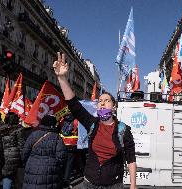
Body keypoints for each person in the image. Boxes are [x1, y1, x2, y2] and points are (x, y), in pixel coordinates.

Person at [53, 52, 137, 189]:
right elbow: (73, 105)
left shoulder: (123, 130)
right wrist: (62, 78)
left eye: (107, 100)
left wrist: (133, 185)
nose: (102, 103)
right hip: (89, 183)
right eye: (100, 101)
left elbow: (131, 158)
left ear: (114, 107)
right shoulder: (92, 123)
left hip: (113, 185)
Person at [22, 114, 67, 189]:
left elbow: (25, 153)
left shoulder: (33, 134)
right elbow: (61, 157)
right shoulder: (57, 138)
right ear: (53, 125)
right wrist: (57, 168)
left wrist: (27, 163)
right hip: (50, 170)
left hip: (32, 167)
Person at [0, 112, 24, 189]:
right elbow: (21, 145)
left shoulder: (1, 129)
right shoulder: (19, 129)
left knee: (6, 175)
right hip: (15, 155)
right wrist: (23, 158)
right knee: (10, 176)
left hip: (3, 155)